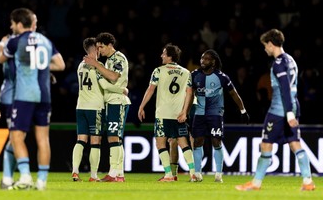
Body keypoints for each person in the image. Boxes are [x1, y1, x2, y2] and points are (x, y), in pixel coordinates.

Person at [236, 29, 315, 191]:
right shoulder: (291, 60)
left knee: (266, 145)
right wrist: (292, 111)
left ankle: (256, 183)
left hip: (279, 110)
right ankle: (308, 181)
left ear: (271, 44)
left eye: (265, 45)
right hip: (293, 105)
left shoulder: (278, 64)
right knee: (295, 144)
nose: (265, 49)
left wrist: (289, 114)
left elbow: (285, 88)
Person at [0, 7, 65, 190]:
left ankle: (25, 176)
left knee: (17, 136)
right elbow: (60, 65)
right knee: (43, 139)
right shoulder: (45, 40)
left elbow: (2, 59)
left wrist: (2, 45)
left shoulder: (15, 42)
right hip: (45, 96)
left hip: (25, 95)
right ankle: (41, 181)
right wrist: (43, 69)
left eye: (13, 23)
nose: (12, 26)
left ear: (19, 24)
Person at [72, 37, 128, 182]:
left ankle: (75, 171)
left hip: (81, 106)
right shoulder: (97, 66)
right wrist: (122, 90)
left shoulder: (80, 65)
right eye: (99, 48)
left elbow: (114, 76)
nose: (101, 50)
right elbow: (106, 85)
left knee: (81, 140)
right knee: (97, 141)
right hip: (95, 107)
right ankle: (94, 175)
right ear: (96, 49)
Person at [189, 49, 250, 183]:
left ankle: (218, 174)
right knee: (198, 142)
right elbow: (189, 95)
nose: (202, 61)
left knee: (216, 141)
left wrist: (243, 111)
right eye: (201, 58)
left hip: (215, 114)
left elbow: (234, 94)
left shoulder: (222, 77)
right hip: (199, 113)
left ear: (213, 61)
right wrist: (186, 111)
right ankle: (197, 174)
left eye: (206, 59)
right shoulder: (194, 75)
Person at [138, 43, 196, 182]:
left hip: (163, 114)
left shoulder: (159, 71)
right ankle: (194, 173)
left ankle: (169, 174)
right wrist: (184, 112)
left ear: (170, 57)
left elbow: (150, 90)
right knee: (183, 143)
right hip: (178, 114)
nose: (161, 56)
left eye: (164, 53)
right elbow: (190, 93)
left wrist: (141, 106)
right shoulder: (186, 72)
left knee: (160, 143)